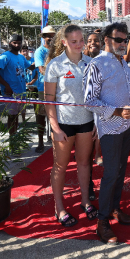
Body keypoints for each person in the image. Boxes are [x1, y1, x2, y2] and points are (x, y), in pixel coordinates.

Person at [84, 22, 130, 244]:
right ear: (106, 39)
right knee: (110, 175)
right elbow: (88, 101)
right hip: (110, 128)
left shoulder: (123, 62)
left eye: (125, 40)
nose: (123, 43)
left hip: (126, 127)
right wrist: (116, 111)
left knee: (120, 172)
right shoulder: (97, 65)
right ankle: (102, 222)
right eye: (118, 40)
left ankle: (114, 208)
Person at [44, 25, 97, 227]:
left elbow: (95, 96)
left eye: (81, 40)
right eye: (73, 41)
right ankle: (59, 207)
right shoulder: (55, 65)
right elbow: (48, 100)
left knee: (84, 164)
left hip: (86, 123)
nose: (78, 45)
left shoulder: (91, 64)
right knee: (60, 165)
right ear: (64, 42)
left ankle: (85, 201)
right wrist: (55, 128)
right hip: (63, 125)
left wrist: (96, 121)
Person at [0, 34, 35, 136]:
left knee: (17, 117)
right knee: (11, 117)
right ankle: (12, 142)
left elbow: (31, 68)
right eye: (14, 43)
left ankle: (15, 139)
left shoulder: (21, 57)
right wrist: (6, 86)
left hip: (21, 91)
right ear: (10, 43)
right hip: (10, 92)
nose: (17, 45)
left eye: (19, 43)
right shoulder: (5, 56)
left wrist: (41, 61)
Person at [84, 32, 103, 200]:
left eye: (96, 40)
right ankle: (88, 185)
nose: (93, 43)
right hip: (84, 114)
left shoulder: (105, 61)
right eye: (89, 41)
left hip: (102, 112)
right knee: (86, 154)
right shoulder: (82, 61)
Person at [34, 25, 56, 152]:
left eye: (52, 37)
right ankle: (41, 142)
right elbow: (41, 70)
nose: (50, 39)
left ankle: (55, 141)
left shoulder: (57, 51)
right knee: (41, 115)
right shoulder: (39, 52)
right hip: (44, 88)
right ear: (43, 37)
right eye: (48, 36)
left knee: (55, 116)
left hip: (57, 88)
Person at [21, 44, 38, 123]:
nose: (25, 52)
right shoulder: (20, 61)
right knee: (24, 104)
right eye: (23, 51)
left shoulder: (33, 60)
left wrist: (31, 83)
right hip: (24, 86)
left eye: (26, 51)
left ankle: (37, 120)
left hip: (34, 86)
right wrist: (26, 84)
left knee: (35, 103)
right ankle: (24, 121)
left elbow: (37, 74)